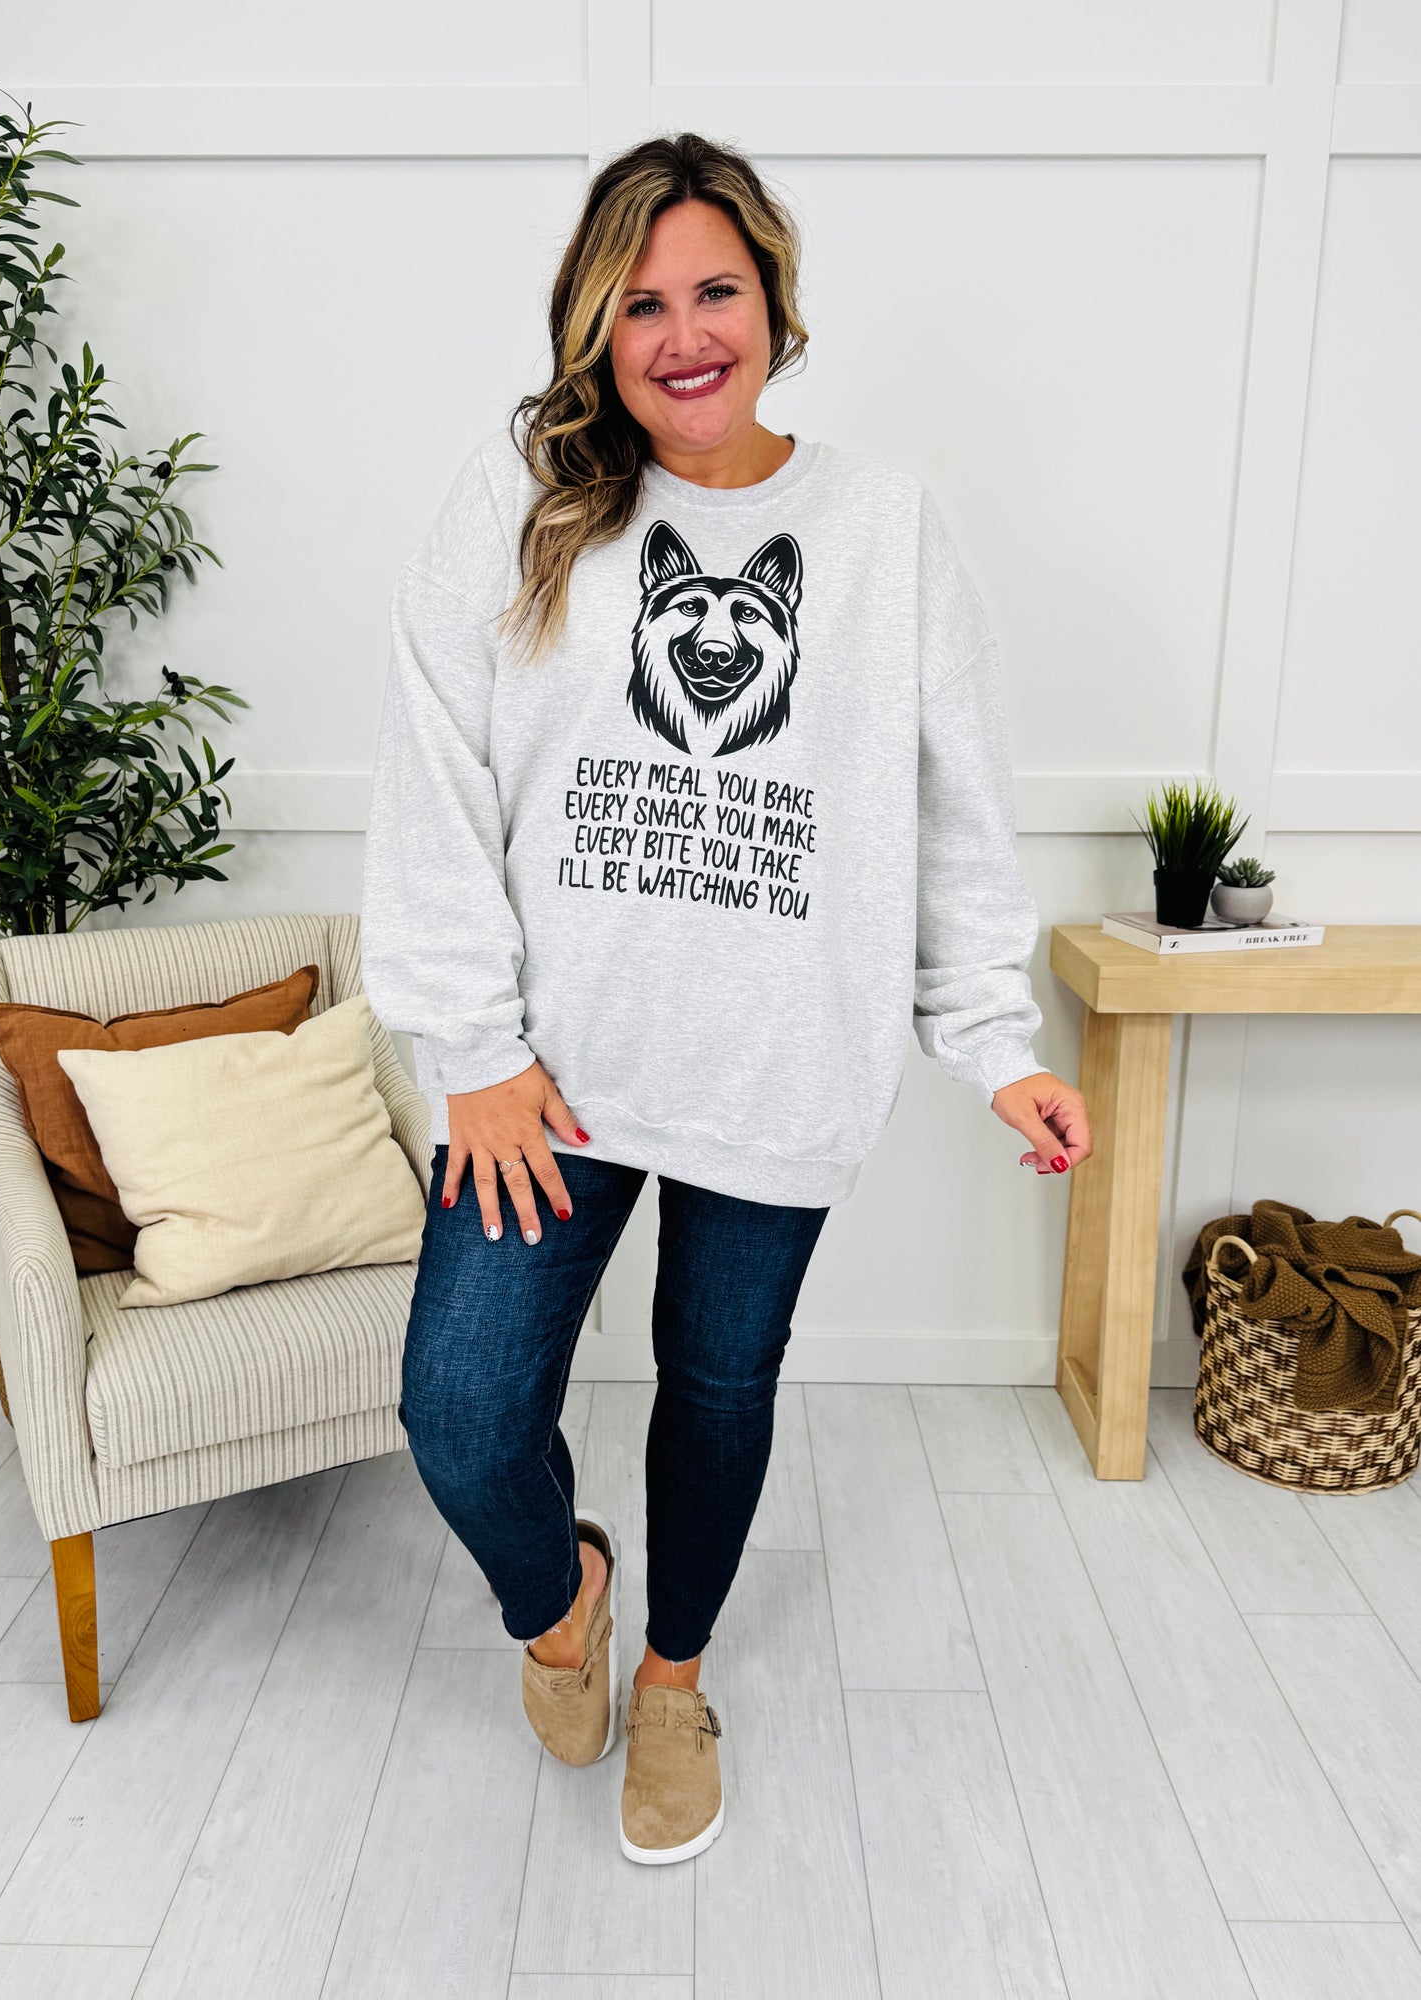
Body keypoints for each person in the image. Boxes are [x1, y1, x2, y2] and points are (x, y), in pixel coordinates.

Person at [359, 130, 1093, 1866]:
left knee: (716, 1387)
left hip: (778, 1061)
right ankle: (564, 1601)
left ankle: (674, 1681)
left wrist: (994, 1045)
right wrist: (472, 1049)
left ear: (774, 302)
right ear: (593, 327)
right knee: (461, 1410)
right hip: (546, 1078)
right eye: (641, 305)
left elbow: (956, 804)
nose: (684, 335)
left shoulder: (883, 530)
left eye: (716, 291)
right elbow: (432, 763)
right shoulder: (529, 495)